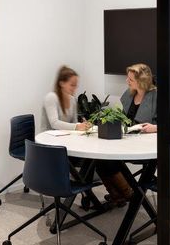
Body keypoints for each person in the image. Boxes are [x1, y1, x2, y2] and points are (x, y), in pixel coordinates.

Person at [98, 63, 158, 204]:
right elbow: (122, 118)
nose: (127, 81)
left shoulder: (156, 96)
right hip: (126, 141)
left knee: (110, 161)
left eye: (130, 79)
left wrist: (155, 128)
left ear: (141, 81)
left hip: (145, 145)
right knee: (100, 160)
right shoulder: (130, 94)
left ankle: (130, 194)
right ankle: (119, 195)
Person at [42, 66, 91, 131]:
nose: (75, 88)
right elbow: (54, 123)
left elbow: (74, 123)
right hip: (47, 137)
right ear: (62, 83)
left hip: (66, 136)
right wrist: (77, 126)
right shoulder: (51, 97)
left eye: (76, 85)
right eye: (72, 85)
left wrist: (83, 125)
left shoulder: (72, 100)